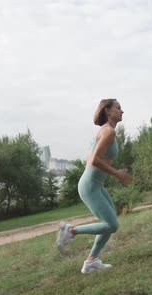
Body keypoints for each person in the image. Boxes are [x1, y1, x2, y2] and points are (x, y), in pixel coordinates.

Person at [56, 98, 133, 274]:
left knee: (109, 221)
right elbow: (93, 160)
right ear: (107, 111)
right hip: (90, 187)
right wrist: (117, 173)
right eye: (118, 108)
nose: (122, 111)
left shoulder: (105, 131)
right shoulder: (108, 132)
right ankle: (71, 231)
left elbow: (90, 160)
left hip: (95, 185)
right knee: (112, 225)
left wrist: (112, 171)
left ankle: (92, 261)